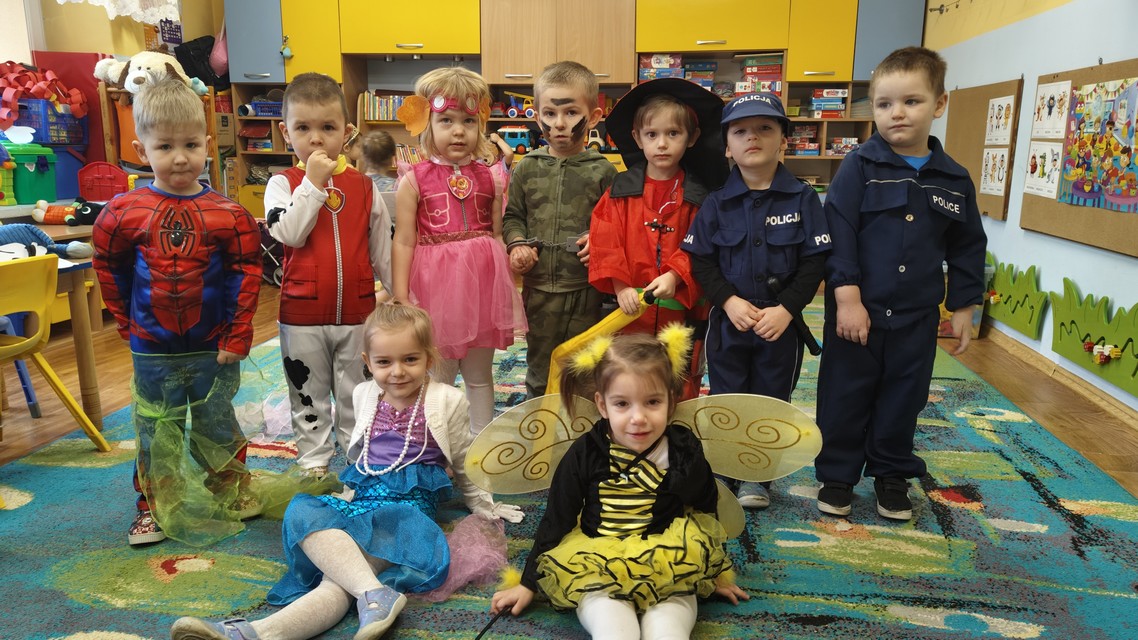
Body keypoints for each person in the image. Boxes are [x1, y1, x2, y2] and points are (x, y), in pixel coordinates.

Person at [170, 303, 524, 640]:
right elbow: (361, 451)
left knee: (335, 583)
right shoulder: (365, 393)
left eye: (410, 359)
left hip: (406, 513)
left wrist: (484, 506)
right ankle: (370, 596)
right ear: (368, 362)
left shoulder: (447, 399)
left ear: (429, 358)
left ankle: (253, 632)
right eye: (384, 362)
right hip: (361, 501)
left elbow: (463, 459)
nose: (397, 371)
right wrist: (347, 502)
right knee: (305, 514)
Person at [814, 47, 987, 521]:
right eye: (885, 103)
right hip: (857, 313)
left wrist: (964, 307)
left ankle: (891, 475)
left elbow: (968, 246)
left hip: (916, 317)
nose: (897, 113)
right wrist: (847, 296)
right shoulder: (859, 167)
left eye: (912, 101)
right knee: (845, 394)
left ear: (940, 103)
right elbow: (838, 231)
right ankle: (837, 476)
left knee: (903, 397)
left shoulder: (954, 179)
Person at [490, 327, 748, 639]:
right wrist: (528, 583)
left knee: (668, 633)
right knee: (615, 632)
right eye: (622, 404)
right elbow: (557, 517)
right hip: (596, 563)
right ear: (602, 405)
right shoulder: (585, 453)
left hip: (671, 561)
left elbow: (706, 506)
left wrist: (716, 571)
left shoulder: (683, 451)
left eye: (652, 402)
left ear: (672, 400)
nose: (638, 418)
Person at [92, 79, 262, 545]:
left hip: (213, 345)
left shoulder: (229, 214)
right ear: (140, 149)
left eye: (190, 145)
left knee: (217, 421)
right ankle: (152, 506)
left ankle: (230, 487)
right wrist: (127, 325)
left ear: (207, 144)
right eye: (165, 146)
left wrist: (237, 335)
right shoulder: (121, 213)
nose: (180, 158)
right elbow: (108, 267)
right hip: (152, 348)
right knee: (155, 429)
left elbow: (245, 275)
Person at [681, 92, 831, 510]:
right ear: (727, 146)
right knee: (727, 396)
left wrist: (787, 309)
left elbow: (815, 261)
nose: (753, 137)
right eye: (741, 131)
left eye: (765, 128)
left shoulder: (803, 198)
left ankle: (758, 476)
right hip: (729, 322)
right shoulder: (715, 202)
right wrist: (728, 301)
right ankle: (726, 469)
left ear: (783, 139)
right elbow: (701, 260)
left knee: (771, 398)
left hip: (779, 325)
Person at [263, 72, 393, 478]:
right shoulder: (282, 184)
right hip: (301, 315)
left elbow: (383, 247)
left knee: (357, 393)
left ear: (347, 132)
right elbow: (289, 233)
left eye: (328, 128)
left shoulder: (364, 187)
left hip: (357, 312)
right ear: (286, 132)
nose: (316, 139)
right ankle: (314, 463)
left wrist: (401, 295)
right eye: (303, 128)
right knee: (307, 394)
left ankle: (358, 461)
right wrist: (313, 185)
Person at [391, 66, 527, 434]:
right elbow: (403, 240)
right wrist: (401, 295)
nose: (458, 131)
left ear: (480, 124)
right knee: (439, 376)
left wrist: (507, 282)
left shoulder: (491, 178)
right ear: (427, 123)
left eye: (468, 121)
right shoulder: (413, 180)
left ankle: (481, 442)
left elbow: (496, 235)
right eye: (446, 120)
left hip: (481, 292)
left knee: (480, 375)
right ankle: (438, 440)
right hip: (434, 293)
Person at [588, 78, 728, 400]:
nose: (662, 144)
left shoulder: (699, 197)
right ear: (638, 138)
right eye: (652, 134)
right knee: (627, 374)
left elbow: (703, 244)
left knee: (679, 377)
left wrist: (676, 274)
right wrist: (621, 286)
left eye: (673, 134)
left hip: (680, 313)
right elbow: (605, 239)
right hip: (629, 311)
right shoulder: (620, 191)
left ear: (692, 137)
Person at [502, 60, 618, 398]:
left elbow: (616, 225)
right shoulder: (527, 168)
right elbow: (513, 217)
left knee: (585, 369)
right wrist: (517, 244)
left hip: (586, 290)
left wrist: (599, 241)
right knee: (540, 367)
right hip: (538, 289)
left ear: (593, 117)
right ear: (537, 116)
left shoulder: (604, 172)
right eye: (550, 113)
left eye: (570, 112)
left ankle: (583, 426)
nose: (559, 123)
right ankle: (540, 421)